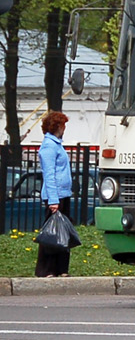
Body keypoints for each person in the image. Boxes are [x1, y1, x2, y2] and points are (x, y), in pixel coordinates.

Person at [36, 110, 74, 278]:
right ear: (57, 126)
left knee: (62, 232)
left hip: (63, 194)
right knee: (51, 234)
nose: (65, 128)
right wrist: (53, 200)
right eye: (63, 125)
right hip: (55, 195)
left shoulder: (57, 144)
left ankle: (61, 268)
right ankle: (47, 269)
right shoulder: (49, 147)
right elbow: (49, 174)